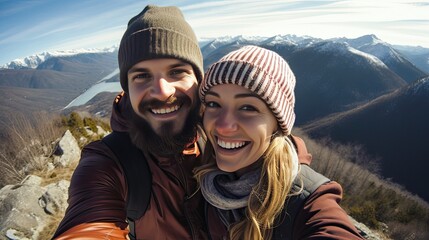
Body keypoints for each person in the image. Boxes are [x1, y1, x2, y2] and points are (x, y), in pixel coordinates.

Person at [53, 5, 207, 239]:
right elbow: (87, 227)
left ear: (199, 79)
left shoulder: (223, 134)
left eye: (176, 72)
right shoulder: (108, 163)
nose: (162, 92)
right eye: (142, 76)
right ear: (128, 88)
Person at [195, 45, 364, 239]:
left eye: (248, 107)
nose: (224, 126)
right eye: (213, 104)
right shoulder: (201, 175)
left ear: (277, 124)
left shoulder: (305, 200)